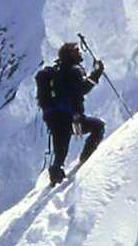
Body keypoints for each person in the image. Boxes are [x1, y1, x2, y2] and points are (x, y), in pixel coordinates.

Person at [36, 41, 106, 185]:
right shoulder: (73, 70)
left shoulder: (57, 72)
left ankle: (55, 181)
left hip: (54, 119)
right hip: (71, 118)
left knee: (60, 153)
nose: (80, 53)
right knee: (98, 127)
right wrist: (97, 73)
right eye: (77, 51)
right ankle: (85, 160)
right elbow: (82, 89)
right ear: (70, 54)